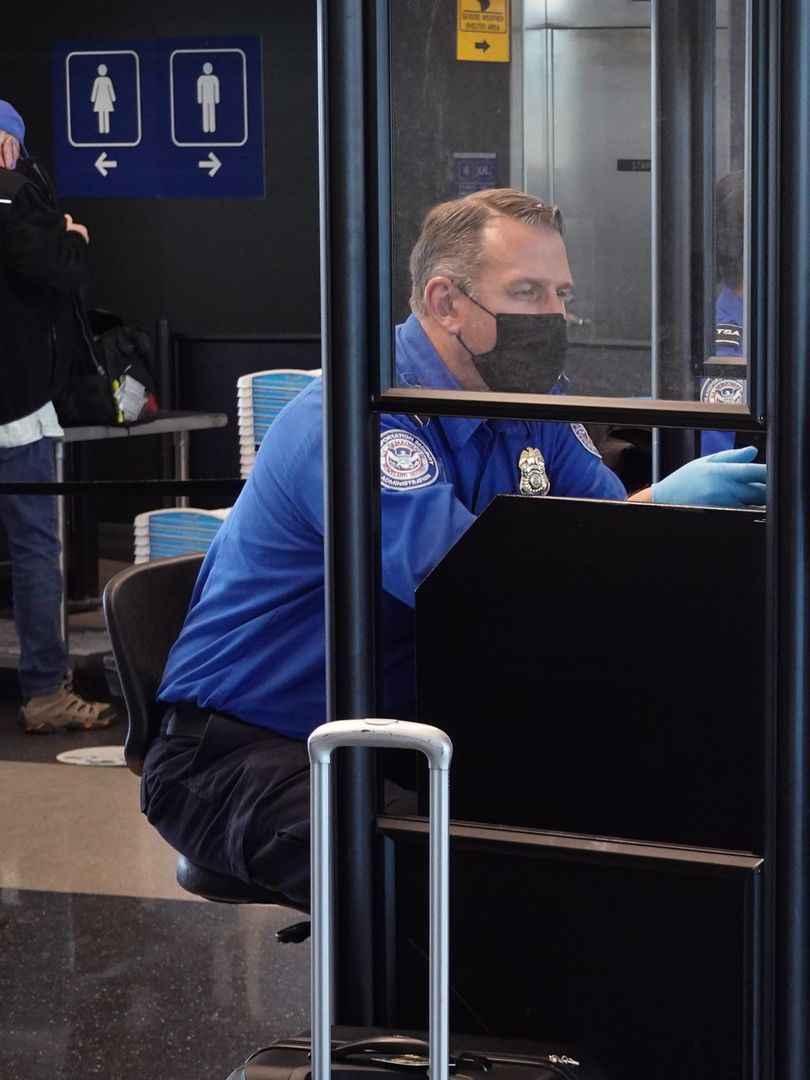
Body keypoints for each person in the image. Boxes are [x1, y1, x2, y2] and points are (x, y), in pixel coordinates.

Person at [141, 189, 767, 906]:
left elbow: (603, 548)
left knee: (642, 816)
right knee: (443, 887)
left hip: (402, 737)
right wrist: (657, 506)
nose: (553, 316)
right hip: (244, 751)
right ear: (445, 302)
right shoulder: (360, 418)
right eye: (526, 292)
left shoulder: (526, 403)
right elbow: (465, 591)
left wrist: (666, 524)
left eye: (560, 293)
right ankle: (414, 1021)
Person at [0, 99, 121, 734]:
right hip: (14, 412)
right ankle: (46, 689)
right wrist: (71, 238)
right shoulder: (15, 193)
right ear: (6, 146)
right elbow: (46, 268)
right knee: (35, 551)